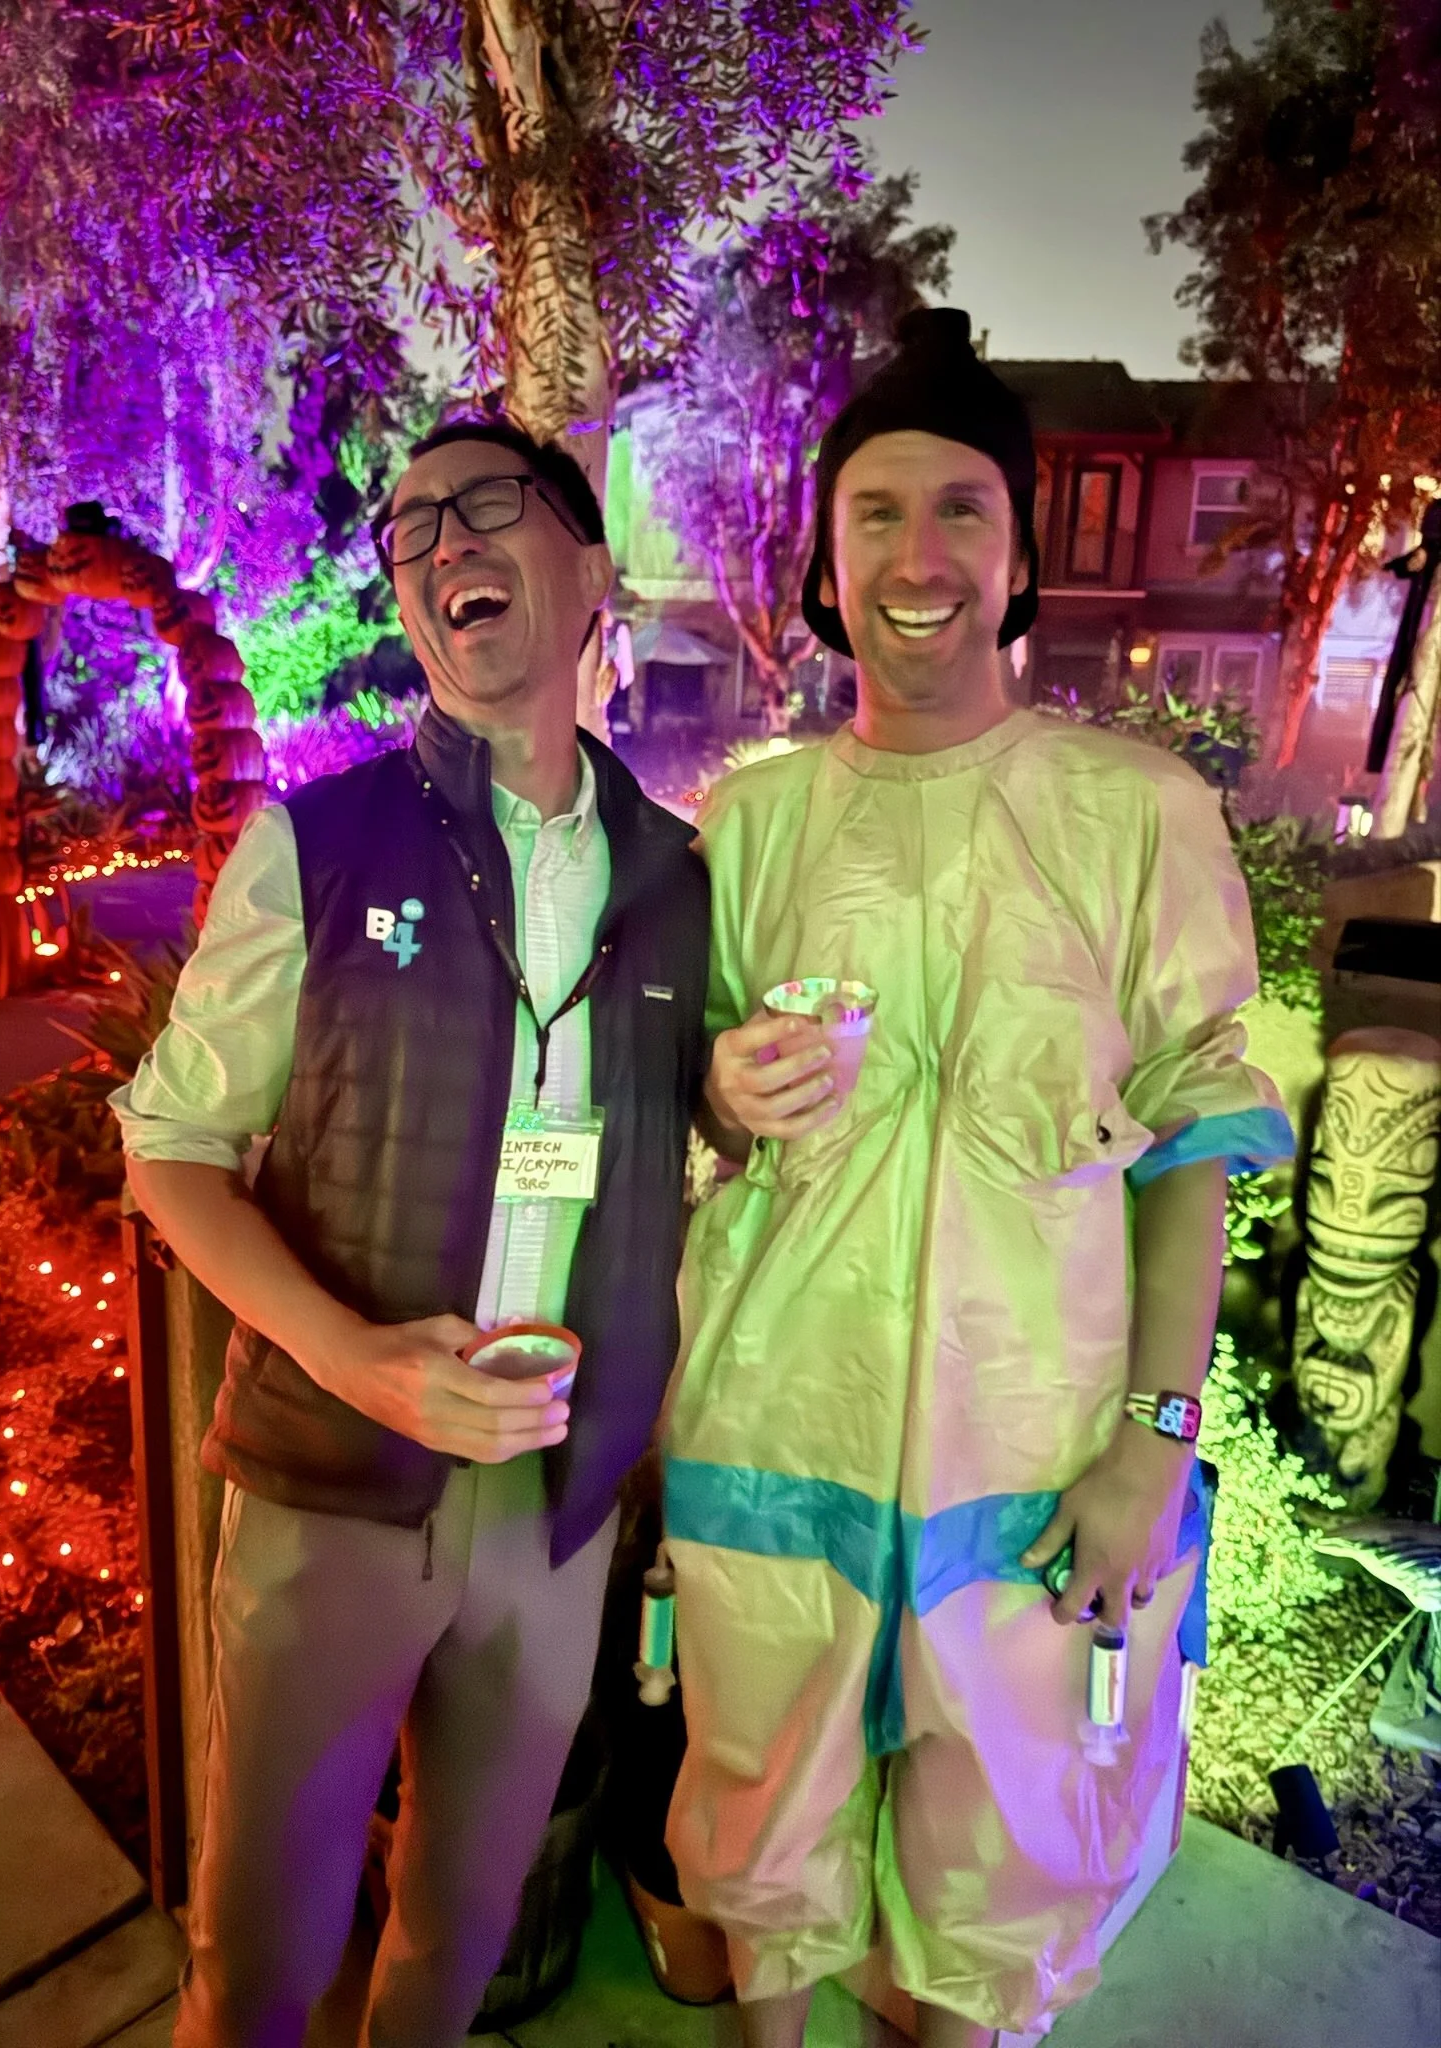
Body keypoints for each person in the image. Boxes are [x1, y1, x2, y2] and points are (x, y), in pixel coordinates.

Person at [661, 308, 1294, 2048]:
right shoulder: (751, 823)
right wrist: (719, 1086)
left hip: (1036, 1462)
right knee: (762, 1818)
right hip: (773, 1425)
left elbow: (1192, 1141)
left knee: (1014, 1860)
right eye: (876, 512)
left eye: (962, 509)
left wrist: (1154, 1441)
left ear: (1019, 558)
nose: (918, 556)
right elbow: (700, 1113)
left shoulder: (1133, 813)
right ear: (825, 561)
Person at [112, 418, 710, 2048]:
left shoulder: (678, 878)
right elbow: (170, 1149)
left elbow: (702, 1129)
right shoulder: (316, 848)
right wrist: (355, 1358)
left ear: (591, 569)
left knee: (459, 1944)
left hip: (555, 1509)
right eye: (411, 528)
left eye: (486, 505)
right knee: (257, 1964)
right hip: (330, 1490)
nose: (444, 545)